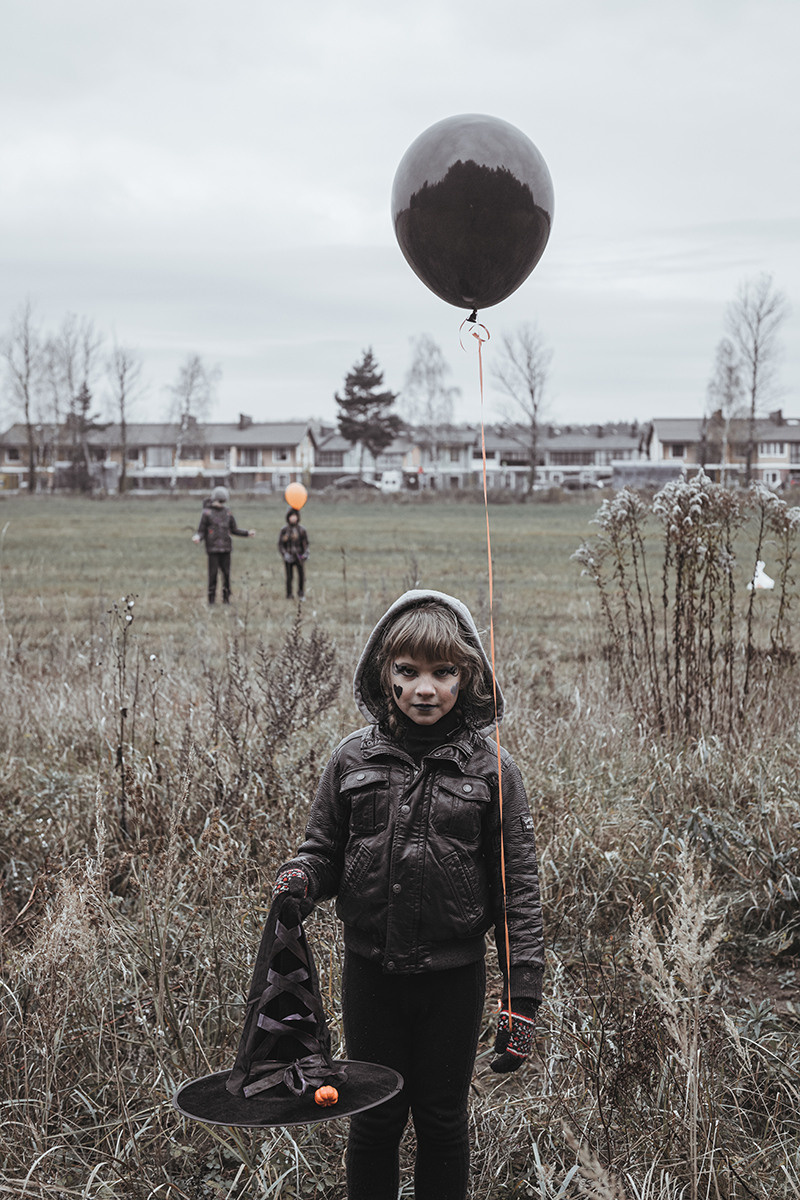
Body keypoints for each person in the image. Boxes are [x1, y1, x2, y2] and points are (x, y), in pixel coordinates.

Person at [272, 589, 543, 1200]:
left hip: (453, 979)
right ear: (384, 675)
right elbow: (323, 854)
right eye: (409, 671)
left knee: (442, 1119)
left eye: (444, 672)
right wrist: (300, 880)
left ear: (468, 677)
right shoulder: (350, 760)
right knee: (373, 1118)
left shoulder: (493, 772)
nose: (427, 689)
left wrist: (522, 998)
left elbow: (517, 892)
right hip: (372, 975)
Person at [192, 486, 255, 604]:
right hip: (213, 549)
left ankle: (226, 599)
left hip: (226, 549)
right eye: (218, 501)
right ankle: (211, 600)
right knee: (213, 575)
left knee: (226, 575)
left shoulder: (228, 512)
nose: (220, 504)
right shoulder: (206, 513)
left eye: (222, 502)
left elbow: (234, 529)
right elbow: (201, 530)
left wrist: (247, 533)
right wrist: (198, 537)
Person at [277, 508, 309, 599]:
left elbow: (306, 543)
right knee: (289, 577)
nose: (293, 518)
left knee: (301, 576)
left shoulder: (302, 530)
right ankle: (289, 594)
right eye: (291, 516)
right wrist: (284, 554)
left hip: (299, 555)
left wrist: (305, 554)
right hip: (289, 555)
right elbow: (280, 544)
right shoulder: (284, 530)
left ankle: (301, 593)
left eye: (295, 516)